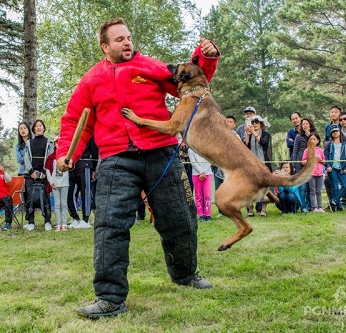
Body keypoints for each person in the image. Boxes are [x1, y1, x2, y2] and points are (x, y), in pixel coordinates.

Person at [56, 18, 219, 318]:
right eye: (119, 39)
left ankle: (185, 275)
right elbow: (74, 120)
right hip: (117, 159)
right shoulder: (91, 79)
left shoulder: (151, 66)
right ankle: (109, 297)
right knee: (109, 226)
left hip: (161, 151)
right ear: (105, 46)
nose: (127, 42)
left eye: (128, 37)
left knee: (180, 219)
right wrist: (67, 154)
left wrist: (205, 57)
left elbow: (191, 82)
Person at [24, 119, 53, 231]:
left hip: (45, 173)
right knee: (30, 197)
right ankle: (30, 221)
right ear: (34, 129)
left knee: (45, 197)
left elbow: (50, 158)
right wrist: (31, 171)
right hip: (30, 173)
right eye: (36, 126)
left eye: (40, 125)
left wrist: (44, 172)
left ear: (44, 128)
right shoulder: (29, 142)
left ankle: (47, 220)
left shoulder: (49, 142)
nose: (38, 127)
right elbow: (26, 158)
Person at [67, 137, 98, 229]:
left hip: (85, 164)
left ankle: (85, 219)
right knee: (70, 192)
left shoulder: (89, 133)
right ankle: (75, 217)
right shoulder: (70, 131)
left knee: (86, 192)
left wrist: (93, 169)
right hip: (71, 165)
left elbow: (94, 151)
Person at [244, 115, 272, 216]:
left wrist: (253, 132)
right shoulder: (250, 134)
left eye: (256, 122)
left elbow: (263, 142)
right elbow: (245, 146)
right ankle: (250, 210)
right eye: (252, 122)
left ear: (261, 124)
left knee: (264, 187)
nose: (254, 124)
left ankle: (263, 210)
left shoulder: (265, 134)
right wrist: (247, 134)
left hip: (263, 163)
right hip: (251, 163)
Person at [45, 135, 70, 232]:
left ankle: (64, 223)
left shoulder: (67, 156)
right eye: (57, 142)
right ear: (54, 144)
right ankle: (58, 223)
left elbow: (70, 167)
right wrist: (51, 182)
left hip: (64, 183)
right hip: (55, 184)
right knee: (57, 204)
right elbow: (48, 170)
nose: (59, 144)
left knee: (64, 203)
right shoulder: (51, 157)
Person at [324, 125, 346, 211]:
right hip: (332, 168)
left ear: (339, 131)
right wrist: (328, 166)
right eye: (333, 132)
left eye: (336, 131)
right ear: (331, 134)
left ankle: (334, 200)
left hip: (342, 168)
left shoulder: (345, 143)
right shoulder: (329, 144)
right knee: (335, 187)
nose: (335, 133)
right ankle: (339, 207)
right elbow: (326, 156)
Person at [292, 117, 316, 212]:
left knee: (311, 186)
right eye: (303, 124)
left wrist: (310, 136)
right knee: (302, 187)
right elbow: (295, 150)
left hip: (311, 164)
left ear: (310, 124)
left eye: (306, 123)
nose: (304, 125)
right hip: (300, 164)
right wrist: (295, 164)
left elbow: (317, 147)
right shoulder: (298, 137)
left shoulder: (314, 136)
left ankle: (311, 205)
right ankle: (303, 206)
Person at [302, 133, 326, 212]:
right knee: (312, 191)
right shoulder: (306, 150)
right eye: (311, 139)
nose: (312, 141)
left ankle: (320, 207)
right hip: (311, 174)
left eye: (314, 139)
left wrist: (320, 160)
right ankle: (314, 207)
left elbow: (323, 161)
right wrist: (311, 159)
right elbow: (303, 162)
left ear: (318, 141)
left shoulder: (320, 150)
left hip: (320, 173)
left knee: (318, 191)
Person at [188, 148, 213, 221]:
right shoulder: (190, 149)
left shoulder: (206, 147)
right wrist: (201, 172)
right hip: (196, 174)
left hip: (207, 173)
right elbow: (193, 162)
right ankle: (201, 215)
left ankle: (208, 215)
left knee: (207, 195)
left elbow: (210, 160)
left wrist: (204, 172)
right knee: (198, 195)